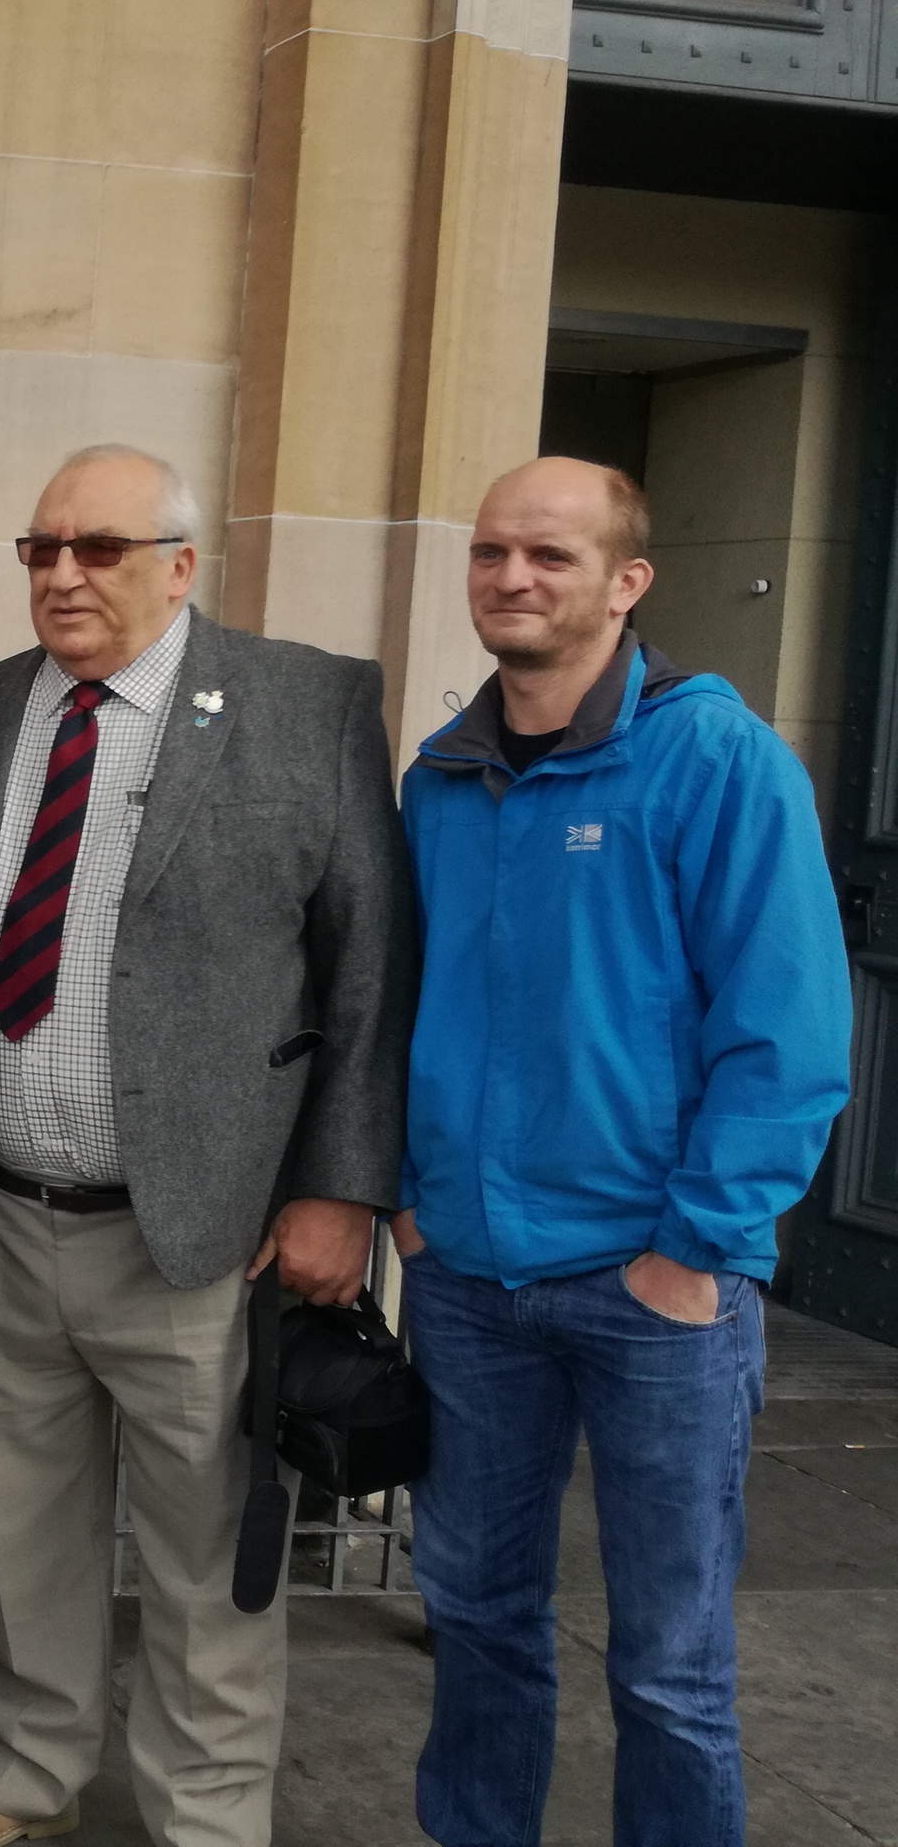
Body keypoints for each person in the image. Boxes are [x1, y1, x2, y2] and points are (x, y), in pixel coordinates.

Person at [0, 444, 418, 1847]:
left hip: (200, 1230)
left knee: (206, 1556)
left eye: (98, 548)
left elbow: (370, 969)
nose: (62, 574)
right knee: (19, 1533)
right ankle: (20, 1768)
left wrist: (340, 1188)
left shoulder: (308, 705)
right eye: (41, 549)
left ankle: (209, 1813)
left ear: (182, 563)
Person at [394, 458, 847, 1847]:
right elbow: (412, 1004)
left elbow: (785, 1035)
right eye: (490, 554)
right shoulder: (443, 777)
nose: (512, 578)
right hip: (469, 1286)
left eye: (550, 555)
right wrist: (414, 1207)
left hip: (652, 1290)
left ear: (626, 582)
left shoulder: (716, 761)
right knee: (475, 1624)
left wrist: (695, 1250)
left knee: (668, 1670)